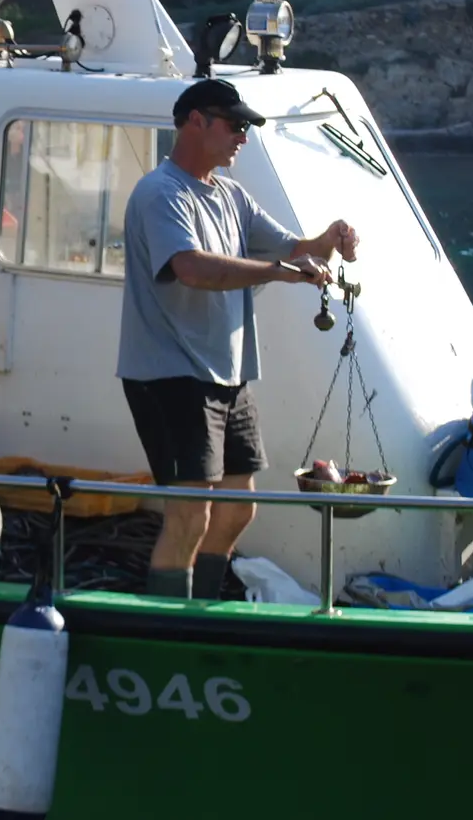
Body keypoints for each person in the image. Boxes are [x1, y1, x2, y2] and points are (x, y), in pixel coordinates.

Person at [117, 77, 360, 600]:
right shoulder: (160, 192)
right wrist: (276, 271)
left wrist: (331, 238)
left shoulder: (230, 195)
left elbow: (298, 248)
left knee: (236, 509)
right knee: (189, 516)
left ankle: (201, 606)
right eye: (236, 124)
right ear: (195, 122)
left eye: (247, 126)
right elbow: (191, 268)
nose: (244, 136)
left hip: (226, 375)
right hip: (170, 375)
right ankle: (167, 628)